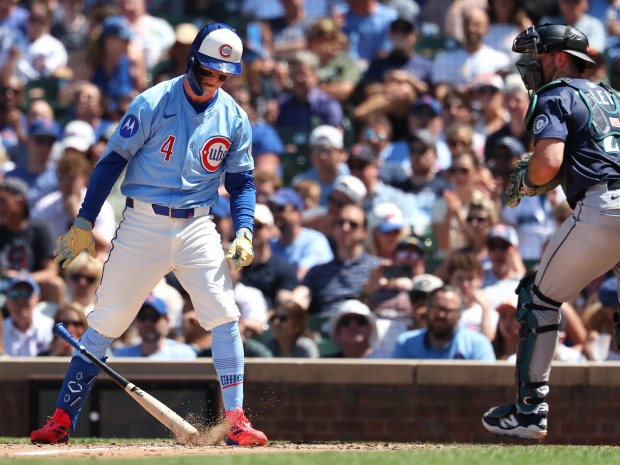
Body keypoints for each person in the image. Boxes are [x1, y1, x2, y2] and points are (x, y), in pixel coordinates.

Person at [29, 22, 268, 447]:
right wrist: (84, 221)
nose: (212, 81)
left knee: (224, 315)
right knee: (106, 323)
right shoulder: (153, 101)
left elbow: (243, 182)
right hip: (143, 223)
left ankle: (236, 421)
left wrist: (245, 227)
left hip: (198, 224)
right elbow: (109, 162)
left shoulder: (233, 116)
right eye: (207, 71)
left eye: (221, 75)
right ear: (191, 60)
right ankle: (63, 419)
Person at [481, 23, 620, 440]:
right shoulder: (614, 96)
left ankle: (529, 412)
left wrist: (526, 182)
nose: (531, 66)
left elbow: (546, 164)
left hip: (604, 209)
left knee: (538, 298)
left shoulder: (556, 94)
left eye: (537, 56)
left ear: (560, 58)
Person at [392, 284, 496, 360]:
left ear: (459, 315)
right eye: (437, 308)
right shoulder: (406, 343)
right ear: (427, 309)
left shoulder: (477, 344)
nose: (441, 315)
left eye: (448, 310)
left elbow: (489, 385)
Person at [112, 294, 197, 360]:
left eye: (153, 316)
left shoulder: (183, 355)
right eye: (143, 316)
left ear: (167, 320)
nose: (148, 322)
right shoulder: (121, 356)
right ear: (136, 321)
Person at [3, 273, 54, 356]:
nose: (20, 299)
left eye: (26, 294)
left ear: (37, 299)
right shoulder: (1, 330)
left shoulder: (50, 328)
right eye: (14, 295)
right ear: (7, 301)